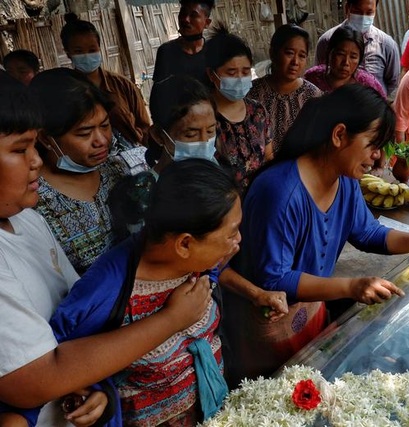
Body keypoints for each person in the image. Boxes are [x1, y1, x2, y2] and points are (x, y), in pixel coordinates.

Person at [225, 84, 409, 385]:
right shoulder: (279, 192)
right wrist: (352, 286)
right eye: (372, 145)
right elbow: (275, 278)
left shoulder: (344, 179)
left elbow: (368, 233)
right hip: (268, 326)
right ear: (339, 135)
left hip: (309, 311)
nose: (377, 158)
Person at [0, 77, 210, 427]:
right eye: (20, 150)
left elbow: (78, 316)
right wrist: (172, 319)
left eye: (34, 146)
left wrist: (88, 385)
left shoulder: (25, 221)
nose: (36, 161)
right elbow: (36, 378)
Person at [5, 160, 239, 426]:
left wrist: (215, 268)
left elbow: (210, 278)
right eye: (231, 234)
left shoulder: (197, 264)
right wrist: (96, 391)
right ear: (184, 243)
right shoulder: (105, 293)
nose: (238, 242)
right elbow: (56, 362)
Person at [117, 74, 288, 320]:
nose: (204, 142)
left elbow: (213, 265)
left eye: (210, 132)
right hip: (155, 319)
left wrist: (255, 293)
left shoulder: (215, 179)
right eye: (191, 134)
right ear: (158, 135)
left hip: (206, 310)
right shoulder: (143, 194)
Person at [31, 68, 147, 274]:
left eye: (105, 125)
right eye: (84, 133)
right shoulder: (33, 201)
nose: (101, 141)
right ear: (46, 138)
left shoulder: (120, 170)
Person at [61, 13, 150, 149]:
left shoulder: (123, 85)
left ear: (99, 48)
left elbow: (144, 127)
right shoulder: (64, 91)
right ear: (68, 53)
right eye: (79, 51)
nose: (87, 56)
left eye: (92, 49)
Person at [205, 24, 273, 189]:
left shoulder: (258, 111)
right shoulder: (204, 118)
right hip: (226, 207)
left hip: (260, 199)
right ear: (211, 74)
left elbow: (269, 158)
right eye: (231, 73)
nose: (240, 78)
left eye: (245, 71)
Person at [248, 24, 322, 153]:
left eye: (302, 56)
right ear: (273, 53)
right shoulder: (253, 92)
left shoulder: (313, 95)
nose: (295, 62)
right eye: (289, 53)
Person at [315, 0, 400, 96]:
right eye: (358, 12)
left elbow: (393, 83)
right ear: (347, 9)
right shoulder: (327, 40)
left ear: (375, 10)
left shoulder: (387, 45)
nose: (363, 17)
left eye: (369, 12)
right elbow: (320, 74)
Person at [303, 25, 386, 97]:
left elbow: (383, 111)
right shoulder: (313, 78)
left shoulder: (368, 85)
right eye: (340, 54)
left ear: (360, 59)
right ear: (330, 52)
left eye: (353, 57)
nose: (346, 62)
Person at [153, 0, 214, 88]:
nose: (186, 19)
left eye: (193, 15)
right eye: (183, 13)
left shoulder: (213, 51)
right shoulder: (166, 52)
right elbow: (158, 92)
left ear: (207, 23)